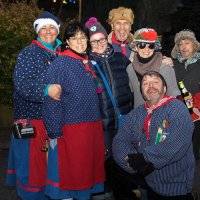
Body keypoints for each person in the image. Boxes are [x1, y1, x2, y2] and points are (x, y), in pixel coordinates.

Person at [105, 71, 195, 200]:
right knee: (111, 165)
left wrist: (145, 159)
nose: (150, 86)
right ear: (142, 90)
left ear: (164, 88)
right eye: (145, 83)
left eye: (155, 82)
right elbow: (120, 139)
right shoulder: (137, 113)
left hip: (173, 183)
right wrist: (132, 163)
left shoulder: (176, 107)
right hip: (147, 174)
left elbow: (179, 141)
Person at [42, 21, 105, 200]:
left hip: (91, 127)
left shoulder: (87, 62)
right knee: (69, 177)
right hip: (71, 128)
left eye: (83, 37)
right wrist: (54, 130)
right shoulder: (60, 63)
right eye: (74, 38)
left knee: (84, 175)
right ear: (67, 42)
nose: (80, 41)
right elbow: (51, 100)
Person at [6, 11, 62, 200]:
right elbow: (21, 84)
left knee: (49, 171)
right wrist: (47, 90)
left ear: (57, 31)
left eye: (52, 27)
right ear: (37, 31)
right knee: (31, 171)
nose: (48, 31)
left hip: (52, 121)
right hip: (31, 122)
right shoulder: (29, 53)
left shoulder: (59, 53)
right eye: (43, 27)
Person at [85, 17, 133, 199]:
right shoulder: (86, 63)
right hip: (101, 122)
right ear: (89, 43)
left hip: (123, 119)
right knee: (103, 160)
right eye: (94, 40)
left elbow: (138, 76)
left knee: (122, 158)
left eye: (102, 39)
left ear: (107, 38)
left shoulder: (121, 58)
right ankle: (103, 192)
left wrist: (163, 61)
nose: (99, 44)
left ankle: (122, 192)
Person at [127, 28, 180, 109]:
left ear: (154, 48)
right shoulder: (130, 69)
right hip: (139, 116)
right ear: (136, 47)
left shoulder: (166, 68)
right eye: (141, 45)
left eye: (150, 46)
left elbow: (174, 94)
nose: (146, 49)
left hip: (162, 117)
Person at [107, 6, 173, 67]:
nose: (122, 28)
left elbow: (152, 56)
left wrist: (166, 61)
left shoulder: (140, 43)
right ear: (112, 26)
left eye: (126, 23)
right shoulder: (103, 47)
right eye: (118, 23)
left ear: (130, 27)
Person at [171, 29, 200, 160]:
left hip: (198, 113)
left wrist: (196, 106)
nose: (183, 47)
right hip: (178, 111)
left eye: (187, 43)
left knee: (194, 147)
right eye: (180, 44)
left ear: (194, 44)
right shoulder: (173, 64)